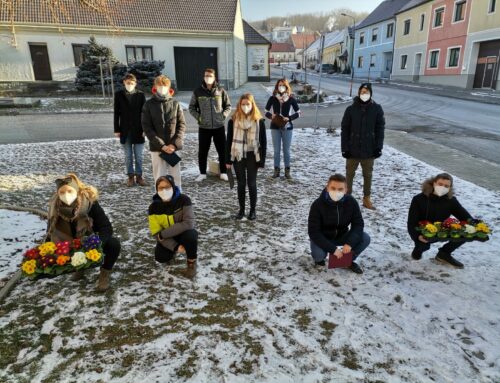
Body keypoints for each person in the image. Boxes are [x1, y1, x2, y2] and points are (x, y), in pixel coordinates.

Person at [46, 173, 121, 291]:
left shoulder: (90, 204)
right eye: (62, 192)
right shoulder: (55, 207)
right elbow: (50, 230)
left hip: (90, 242)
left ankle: (104, 273)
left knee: (113, 244)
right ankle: (79, 268)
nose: (66, 195)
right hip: (69, 244)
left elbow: (106, 227)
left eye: (69, 191)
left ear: (76, 190)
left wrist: (96, 244)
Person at [307, 174, 370, 274]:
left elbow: (358, 224)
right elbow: (313, 232)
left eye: (340, 189)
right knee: (318, 255)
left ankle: (347, 260)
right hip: (323, 237)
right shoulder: (317, 205)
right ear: (327, 188)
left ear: (346, 190)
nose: (336, 192)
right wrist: (333, 249)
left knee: (365, 238)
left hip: (342, 235)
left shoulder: (351, 202)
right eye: (333, 188)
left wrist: (350, 243)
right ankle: (320, 260)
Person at [407, 173, 473, 268]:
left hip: (442, 231)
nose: (442, 187)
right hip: (422, 232)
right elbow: (411, 222)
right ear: (434, 183)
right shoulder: (418, 199)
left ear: (450, 188)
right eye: (440, 184)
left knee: (467, 233)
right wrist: (417, 236)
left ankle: (444, 253)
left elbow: (466, 217)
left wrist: (477, 226)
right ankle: (418, 249)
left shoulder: (451, 201)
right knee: (421, 249)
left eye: (446, 186)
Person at [341, 83, 385, 210]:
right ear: (358, 93)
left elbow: (380, 129)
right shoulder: (350, 109)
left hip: (369, 150)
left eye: (366, 92)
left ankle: (366, 198)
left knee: (368, 175)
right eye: (362, 92)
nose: (364, 94)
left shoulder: (377, 109)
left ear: (370, 93)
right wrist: (345, 148)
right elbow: (345, 129)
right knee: (349, 174)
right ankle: (347, 197)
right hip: (352, 149)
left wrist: (378, 147)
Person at [225, 93, 267, 220]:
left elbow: (263, 142)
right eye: (243, 104)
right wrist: (228, 160)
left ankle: (252, 211)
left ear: (252, 105)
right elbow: (228, 141)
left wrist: (262, 161)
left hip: (253, 155)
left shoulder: (259, 121)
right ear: (239, 105)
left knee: (252, 184)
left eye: (247, 104)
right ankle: (241, 210)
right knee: (241, 184)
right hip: (238, 155)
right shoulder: (233, 120)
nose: (245, 107)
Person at [148, 175, 198, 278]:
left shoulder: (184, 200)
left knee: (191, 236)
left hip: (183, 233)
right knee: (160, 257)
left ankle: (191, 263)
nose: (164, 190)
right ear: (156, 190)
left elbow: (189, 223)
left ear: (173, 187)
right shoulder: (153, 207)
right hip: (167, 238)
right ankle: (172, 253)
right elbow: (156, 233)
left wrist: (163, 233)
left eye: (167, 187)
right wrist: (175, 246)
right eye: (161, 188)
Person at [142, 75, 186, 188]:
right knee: (159, 177)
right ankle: (160, 200)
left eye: (164, 86)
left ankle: (178, 198)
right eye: (160, 85)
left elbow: (181, 125)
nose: (162, 88)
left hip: (173, 148)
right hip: (157, 148)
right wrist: (161, 145)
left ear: (169, 87)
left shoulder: (175, 104)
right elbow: (147, 127)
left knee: (176, 177)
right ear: (155, 87)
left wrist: (174, 144)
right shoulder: (148, 105)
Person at [188, 68, 232, 182]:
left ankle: (223, 172)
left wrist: (222, 116)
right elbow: (191, 108)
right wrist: (200, 118)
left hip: (219, 126)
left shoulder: (221, 90)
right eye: (206, 75)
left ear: (214, 78)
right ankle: (202, 173)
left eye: (210, 76)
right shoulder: (197, 91)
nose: (208, 78)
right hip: (204, 127)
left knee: (222, 150)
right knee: (203, 151)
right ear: (203, 77)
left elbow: (228, 106)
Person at [113, 73, 147, 187]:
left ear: (135, 84)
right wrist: (116, 129)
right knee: (128, 156)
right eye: (128, 83)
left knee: (139, 156)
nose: (129, 85)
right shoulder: (119, 95)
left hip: (138, 130)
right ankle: (130, 176)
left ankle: (139, 176)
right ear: (124, 82)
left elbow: (145, 114)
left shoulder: (140, 95)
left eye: (132, 83)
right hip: (125, 130)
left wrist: (145, 129)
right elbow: (116, 113)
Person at [265, 78, 301, 179]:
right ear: (277, 87)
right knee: (276, 150)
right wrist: (270, 116)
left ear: (286, 87)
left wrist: (289, 118)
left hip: (287, 127)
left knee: (286, 150)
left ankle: (287, 171)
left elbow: (298, 113)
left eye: (283, 85)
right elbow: (266, 111)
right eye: (279, 85)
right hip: (275, 127)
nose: (281, 87)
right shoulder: (272, 98)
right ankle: (276, 171)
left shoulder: (291, 99)